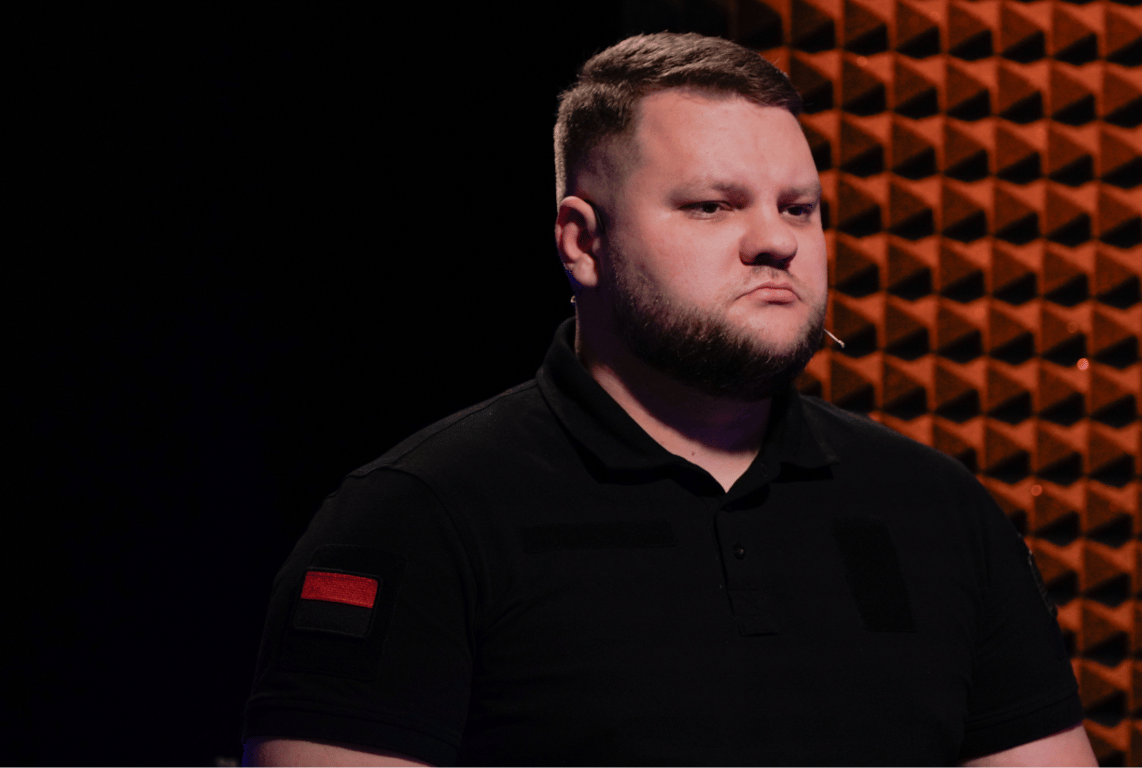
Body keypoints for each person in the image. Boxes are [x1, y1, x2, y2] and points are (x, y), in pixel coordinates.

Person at [242, 32, 1096, 767]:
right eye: (712, 206)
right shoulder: (417, 518)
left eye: (799, 208)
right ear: (583, 242)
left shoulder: (939, 509)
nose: (775, 241)